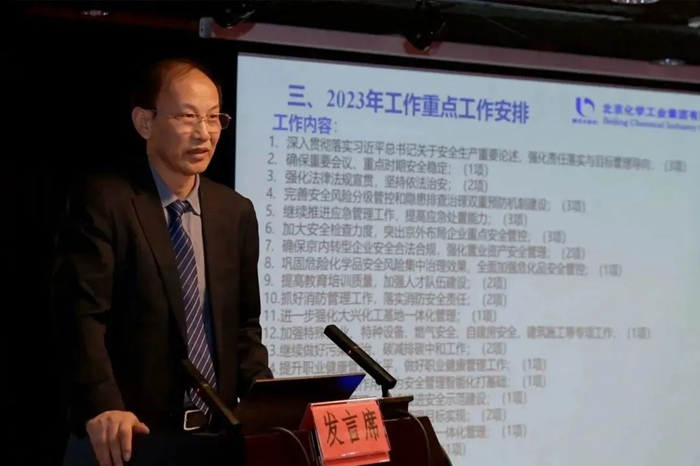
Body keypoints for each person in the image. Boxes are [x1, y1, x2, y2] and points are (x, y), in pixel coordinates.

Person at [54, 57, 273, 466]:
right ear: (145, 122)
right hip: (131, 438)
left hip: (218, 438)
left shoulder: (235, 211)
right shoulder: (105, 201)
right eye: (187, 117)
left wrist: (270, 403)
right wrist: (104, 405)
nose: (204, 132)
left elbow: (243, 326)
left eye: (214, 117)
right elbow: (82, 317)